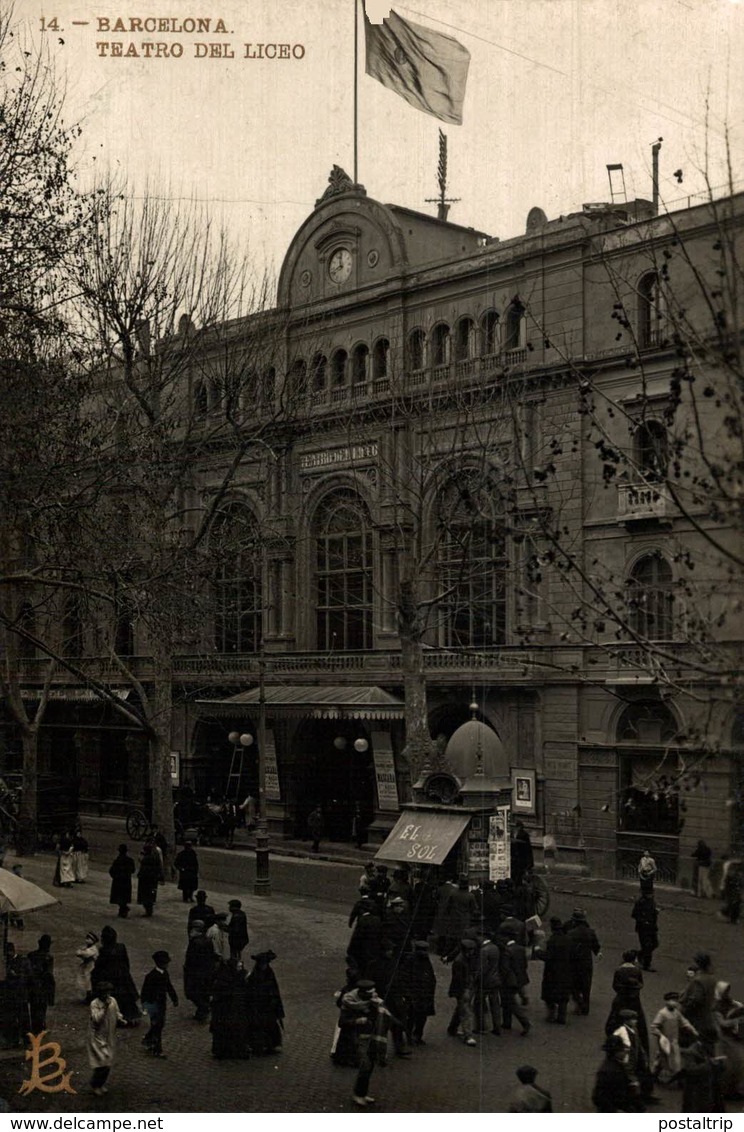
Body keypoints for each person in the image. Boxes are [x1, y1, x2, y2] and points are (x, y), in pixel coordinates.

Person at [338, 979, 394, 1108]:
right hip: (357, 1038)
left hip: (371, 1036)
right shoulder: (349, 1002)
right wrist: (358, 1021)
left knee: (370, 1065)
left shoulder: (373, 1001)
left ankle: (361, 1093)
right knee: (366, 1065)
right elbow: (342, 1022)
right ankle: (358, 1094)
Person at [91, 926, 140, 1026]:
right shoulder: (121, 947)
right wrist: (125, 973)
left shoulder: (104, 950)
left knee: (113, 998)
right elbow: (126, 962)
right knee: (126, 998)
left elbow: (100, 965)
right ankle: (130, 1017)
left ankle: (117, 1018)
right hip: (123, 976)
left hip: (110, 977)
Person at [650, 990, 699, 1085]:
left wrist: (692, 1030)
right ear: (666, 1001)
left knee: (675, 1060)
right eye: (672, 1000)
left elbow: (684, 1022)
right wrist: (660, 1035)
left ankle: (678, 1079)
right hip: (665, 1041)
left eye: (676, 1000)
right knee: (663, 1058)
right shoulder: (662, 1013)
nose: (674, 1003)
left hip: (674, 1041)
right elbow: (654, 1027)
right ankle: (654, 1075)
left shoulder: (676, 1013)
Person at [605, 950, 649, 1053]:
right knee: (639, 1020)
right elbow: (641, 984)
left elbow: (615, 985)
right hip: (634, 999)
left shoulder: (619, 970)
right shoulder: (637, 971)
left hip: (621, 998)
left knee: (615, 1017)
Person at [87, 982, 124, 1096]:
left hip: (109, 1035)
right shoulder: (95, 1004)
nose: (107, 995)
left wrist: (120, 1019)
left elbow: (117, 1012)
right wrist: (105, 1007)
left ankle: (100, 1084)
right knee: (102, 1062)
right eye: (104, 993)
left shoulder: (113, 1000)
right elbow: (96, 1019)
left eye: (108, 992)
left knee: (108, 1062)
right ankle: (95, 1084)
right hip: (97, 1037)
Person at [244, 949, 284, 1054]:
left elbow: (274, 990)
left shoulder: (268, 973)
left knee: (269, 1025)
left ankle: (270, 1045)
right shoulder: (255, 976)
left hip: (268, 1005)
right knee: (259, 1026)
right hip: (259, 1006)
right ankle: (260, 1045)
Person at [209, 957, 250, 1059]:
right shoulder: (224, 980)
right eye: (238, 966)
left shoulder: (238, 977)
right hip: (226, 1012)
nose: (240, 968)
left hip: (237, 1010)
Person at [140, 950, 178, 1058]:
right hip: (153, 1005)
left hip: (161, 1004)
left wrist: (174, 998)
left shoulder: (165, 974)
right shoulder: (151, 976)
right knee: (157, 1025)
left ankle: (148, 1039)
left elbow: (169, 987)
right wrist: (145, 1006)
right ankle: (157, 1049)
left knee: (158, 1025)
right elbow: (145, 993)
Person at [680, 951, 719, 1054]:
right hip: (708, 1017)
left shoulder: (699, 980)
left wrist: (684, 1010)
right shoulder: (711, 978)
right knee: (707, 1046)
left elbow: (696, 999)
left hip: (696, 1019)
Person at [592, 1034, 642, 1112]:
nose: (625, 1052)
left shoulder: (615, 1065)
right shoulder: (609, 1071)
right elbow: (600, 1097)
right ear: (615, 1052)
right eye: (622, 1050)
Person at [566, 908, 601, 1015]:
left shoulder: (571, 933)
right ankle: (586, 1008)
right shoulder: (591, 932)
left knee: (573, 985)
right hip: (587, 963)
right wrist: (597, 952)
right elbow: (596, 946)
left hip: (574, 963)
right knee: (586, 986)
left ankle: (580, 1002)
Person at [538, 916, 572, 1025]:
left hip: (552, 972)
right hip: (566, 971)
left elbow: (548, 956)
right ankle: (562, 1017)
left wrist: (538, 952)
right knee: (562, 997)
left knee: (549, 995)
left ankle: (551, 1015)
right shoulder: (567, 939)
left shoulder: (552, 941)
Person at [713, 981, 744, 1099]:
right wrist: (737, 1021)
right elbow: (723, 1024)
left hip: (732, 1038)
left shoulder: (731, 1003)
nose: (728, 993)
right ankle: (724, 1091)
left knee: (739, 1064)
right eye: (725, 991)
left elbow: (738, 1007)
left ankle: (735, 1089)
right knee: (728, 1066)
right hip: (722, 1039)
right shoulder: (716, 1008)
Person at [403, 940, 436, 1044]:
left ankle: (418, 1035)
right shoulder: (410, 960)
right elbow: (406, 977)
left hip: (425, 994)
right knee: (412, 1017)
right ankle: (409, 1036)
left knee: (422, 1017)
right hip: (415, 994)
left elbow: (430, 976)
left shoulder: (425, 960)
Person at [447, 937, 479, 1046]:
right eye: (470, 950)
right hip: (463, 989)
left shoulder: (465, 959)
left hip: (467, 988)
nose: (472, 952)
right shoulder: (459, 962)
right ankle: (468, 1035)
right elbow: (459, 979)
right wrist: (465, 990)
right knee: (466, 1012)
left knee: (461, 1009)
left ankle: (452, 1028)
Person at [183, 920, 216, 1022]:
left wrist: (188, 970)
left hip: (195, 972)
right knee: (203, 992)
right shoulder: (207, 940)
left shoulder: (195, 942)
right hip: (206, 971)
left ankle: (204, 1008)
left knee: (191, 992)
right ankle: (201, 1012)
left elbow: (191, 958)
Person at [680, 1041, 726, 1113]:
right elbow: (691, 1070)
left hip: (710, 1090)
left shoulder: (709, 1049)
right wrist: (709, 1063)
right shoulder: (692, 1051)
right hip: (696, 1091)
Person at [500, 935, 531, 1034]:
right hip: (520, 978)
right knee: (506, 1001)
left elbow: (505, 968)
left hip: (509, 981)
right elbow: (525, 965)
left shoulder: (506, 951)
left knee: (510, 1002)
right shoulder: (521, 949)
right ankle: (506, 1022)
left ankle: (525, 1022)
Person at [27, 934, 56, 1033]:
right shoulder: (48, 958)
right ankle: (40, 1028)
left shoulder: (31, 955)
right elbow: (49, 975)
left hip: (32, 986)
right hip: (43, 987)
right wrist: (51, 992)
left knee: (33, 1008)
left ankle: (35, 1026)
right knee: (42, 1009)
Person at [475, 931, 502, 1035]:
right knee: (495, 1004)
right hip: (495, 980)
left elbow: (482, 968)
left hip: (485, 981)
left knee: (479, 1003)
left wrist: (476, 979)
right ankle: (497, 1027)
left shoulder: (484, 950)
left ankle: (481, 1027)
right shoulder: (495, 948)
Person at [631, 891, 659, 972]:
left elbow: (652, 912)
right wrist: (643, 921)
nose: (652, 894)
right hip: (643, 928)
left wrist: (656, 912)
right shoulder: (640, 902)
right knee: (647, 945)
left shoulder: (652, 902)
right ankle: (647, 965)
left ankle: (639, 954)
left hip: (652, 927)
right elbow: (634, 914)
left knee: (655, 944)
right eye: (650, 893)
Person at [109, 844, 135, 918]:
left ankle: (123, 909)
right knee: (124, 897)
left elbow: (111, 871)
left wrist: (115, 876)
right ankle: (123, 910)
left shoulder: (117, 861)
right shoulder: (130, 861)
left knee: (119, 897)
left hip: (118, 882)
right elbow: (133, 870)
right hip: (126, 882)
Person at [76, 931, 100, 1004]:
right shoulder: (87, 948)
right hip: (86, 966)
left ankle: (90, 998)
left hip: (91, 967)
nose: (87, 940)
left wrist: (81, 951)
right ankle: (88, 997)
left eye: (89, 938)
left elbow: (85, 954)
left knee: (89, 982)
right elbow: (77, 953)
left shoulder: (93, 949)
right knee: (85, 982)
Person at [137, 843, 161, 916]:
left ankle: (148, 910)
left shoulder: (146, 859)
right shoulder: (155, 858)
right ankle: (149, 910)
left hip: (146, 880)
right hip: (153, 879)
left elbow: (143, 868)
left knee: (146, 896)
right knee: (150, 895)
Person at [719, 858, 743, 924]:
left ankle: (733, 918)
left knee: (736, 904)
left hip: (734, 891)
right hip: (731, 891)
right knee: (732, 903)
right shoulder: (731, 874)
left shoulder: (737, 874)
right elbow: (727, 883)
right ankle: (730, 917)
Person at [512, 821, 534, 886]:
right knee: (517, 872)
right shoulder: (514, 833)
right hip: (518, 857)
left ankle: (518, 884)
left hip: (521, 857)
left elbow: (527, 847)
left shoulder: (524, 834)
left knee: (519, 872)